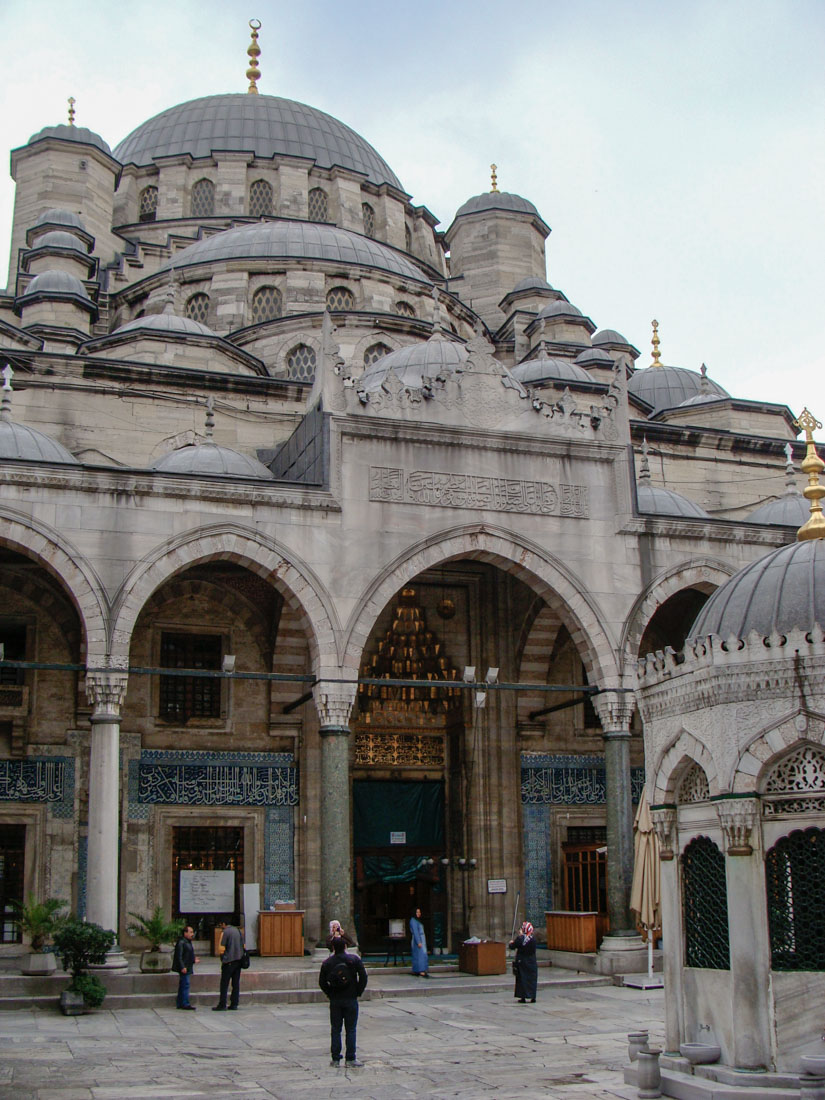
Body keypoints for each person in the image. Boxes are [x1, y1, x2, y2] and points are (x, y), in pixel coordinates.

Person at [319, 935, 368, 1067]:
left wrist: (329, 993)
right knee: (351, 1029)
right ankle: (350, 1058)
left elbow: (322, 982)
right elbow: (363, 977)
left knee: (336, 1029)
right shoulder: (354, 960)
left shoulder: (327, 963)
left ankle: (335, 1059)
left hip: (335, 999)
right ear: (345, 947)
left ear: (333, 947)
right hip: (351, 997)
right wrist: (358, 991)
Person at [213, 920, 244, 1011]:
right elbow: (244, 946)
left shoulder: (225, 932)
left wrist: (223, 959)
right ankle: (234, 1003)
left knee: (224, 984)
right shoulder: (239, 931)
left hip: (228, 961)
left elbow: (221, 948)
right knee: (235, 983)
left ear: (224, 924)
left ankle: (222, 1004)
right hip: (238, 961)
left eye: (221, 924)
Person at [509, 920, 538, 1003]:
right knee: (531, 979)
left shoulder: (521, 938)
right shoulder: (533, 939)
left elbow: (512, 946)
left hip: (522, 962)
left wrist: (511, 943)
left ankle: (523, 997)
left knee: (522, 979)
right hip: (531, 962)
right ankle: (532, 996)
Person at [172, 924, 199, 1009]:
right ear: (185, 933)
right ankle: (184, 1003)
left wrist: (193, 960)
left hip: (188, 966)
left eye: (192, 932)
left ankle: (181, 1003)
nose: (192, 934)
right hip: (185, 967)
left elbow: (188, 954)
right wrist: (182, 966)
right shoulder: (181, 942)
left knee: (183, 984)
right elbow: (179, 956)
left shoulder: (188, 942)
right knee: (185, 984)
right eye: (190, 932)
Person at [409, 907, 430, 977]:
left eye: (419, 912)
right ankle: (420, 970)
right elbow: (415, 932)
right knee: (420, 955)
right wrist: (418, 942)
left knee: (420, 955)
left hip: (421, 938)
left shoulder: (417, 920)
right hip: (417, 939)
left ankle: (419, 969)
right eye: (417, 912)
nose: (419, 913)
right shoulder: (413, 921)